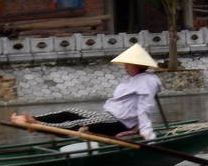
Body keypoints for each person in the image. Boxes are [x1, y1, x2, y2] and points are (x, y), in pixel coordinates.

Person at [12, 43, 164, 140]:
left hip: (119, 123)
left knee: (78, 123)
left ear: (137, 65)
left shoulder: (146, 81)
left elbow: (144, 109)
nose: (125, 66)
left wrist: (146, 132)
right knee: (69, 112)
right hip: (109, 117)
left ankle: (38, 125)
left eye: (128, 64)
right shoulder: (131, 78)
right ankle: (31, 119)